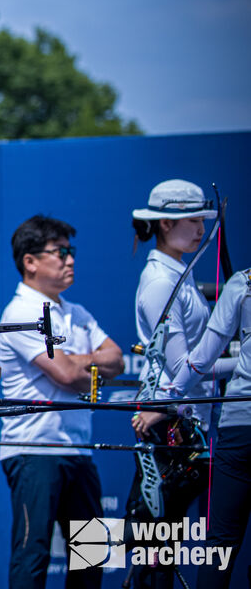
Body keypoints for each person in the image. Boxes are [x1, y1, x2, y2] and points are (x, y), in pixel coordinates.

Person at [0, 215, 124, 589]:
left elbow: (115, 357)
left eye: (72, 252)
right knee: (31, 554)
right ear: (30, 261)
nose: (70, 260)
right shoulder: (20, 313)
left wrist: (74, 360)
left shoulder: (77, 312)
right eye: (60, 252)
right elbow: (67, 377)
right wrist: (83, 363)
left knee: (92, 554)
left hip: (79, 451)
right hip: (33, 451)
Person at [126, 178, 226, 589]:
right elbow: (183, 367)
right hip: (171, 428)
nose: (201, 228)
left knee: (163, 544)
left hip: (183, 424)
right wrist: (243, 366)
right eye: (192, 219)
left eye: (203, 218)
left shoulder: (176, 274)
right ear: (165, 224)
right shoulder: (161, 282)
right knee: (156, 549)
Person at [168, 266, 251, 589]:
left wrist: (169, 394)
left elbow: (200, 360)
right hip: (240, 424)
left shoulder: (244, 281)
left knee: (220, 544)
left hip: (240, 426)